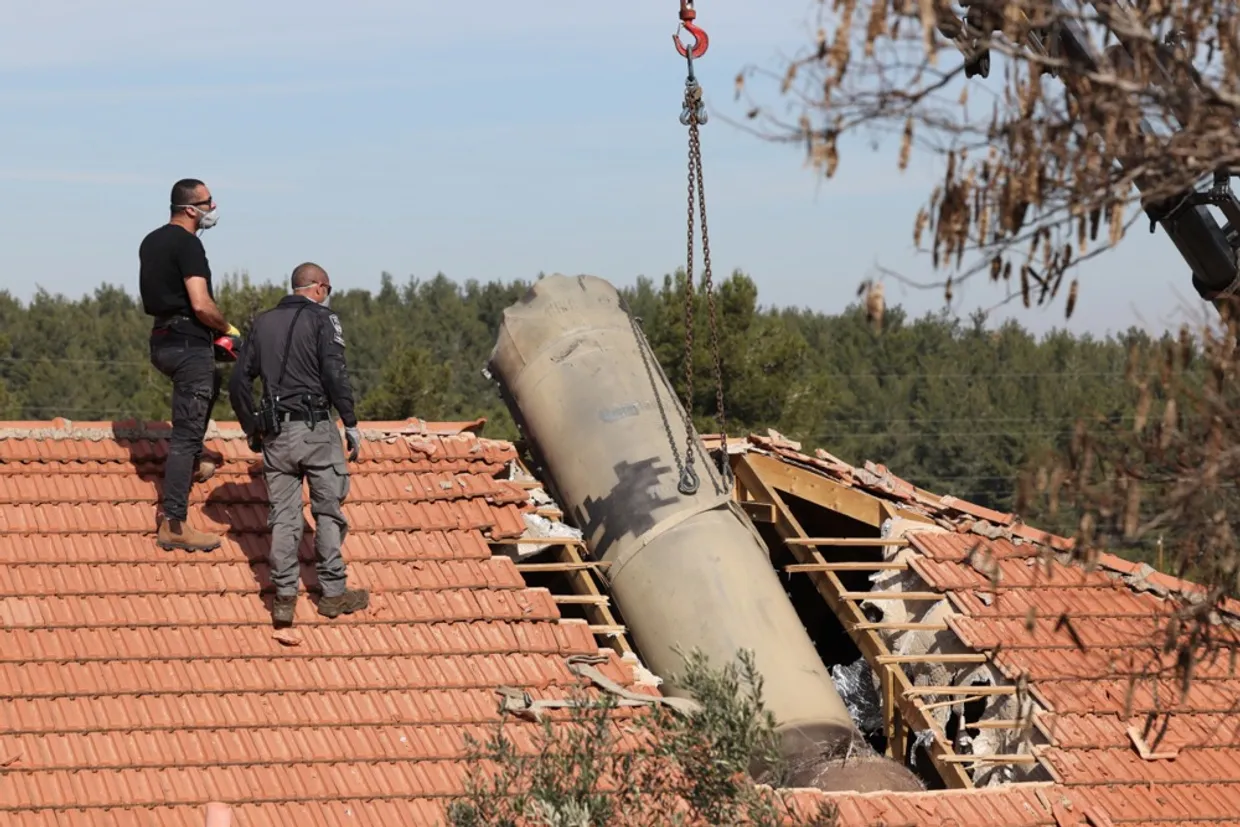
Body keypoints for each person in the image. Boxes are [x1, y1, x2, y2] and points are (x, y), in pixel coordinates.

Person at [228, 262, 369, 626]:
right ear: (319, 287)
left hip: (276, 435)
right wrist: (350, 422)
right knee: (327, 512)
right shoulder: (324, 320)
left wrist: (252, 428)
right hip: (316, 429)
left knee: (284, 518)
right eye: (329, 290)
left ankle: (285, 598)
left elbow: (238, 383)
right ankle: (333, 594)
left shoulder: (261, 323)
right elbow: (336, 374)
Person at [139, 178, 239, 552]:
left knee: (207, 389)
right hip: (187, 344)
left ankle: (195, 462)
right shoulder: (188, 244)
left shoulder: (151, 241)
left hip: (161, 340)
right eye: (208, 202)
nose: (213, 209)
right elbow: (200, 303)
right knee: (185, 434)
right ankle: (174, 524)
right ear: (189, 208)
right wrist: (226, 328)